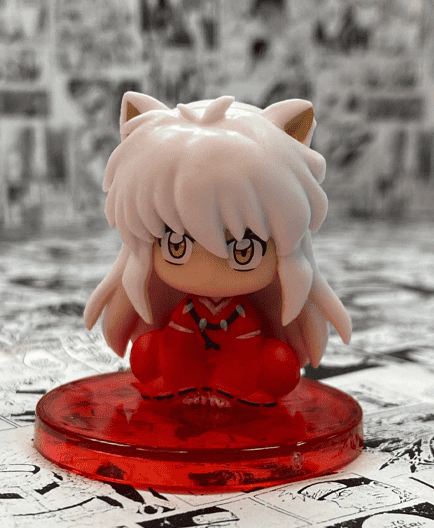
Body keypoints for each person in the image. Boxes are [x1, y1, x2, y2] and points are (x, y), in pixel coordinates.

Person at [84, 92, 351, 405]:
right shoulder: (184, 310)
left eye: (243, 248)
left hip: (241, 370)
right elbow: (175, 346)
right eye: (175, 244)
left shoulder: (244, 312)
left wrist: (233, 380)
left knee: (279, 363)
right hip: (186, 370)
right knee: (147, 351)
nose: (207, 266)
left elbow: (247, 351)